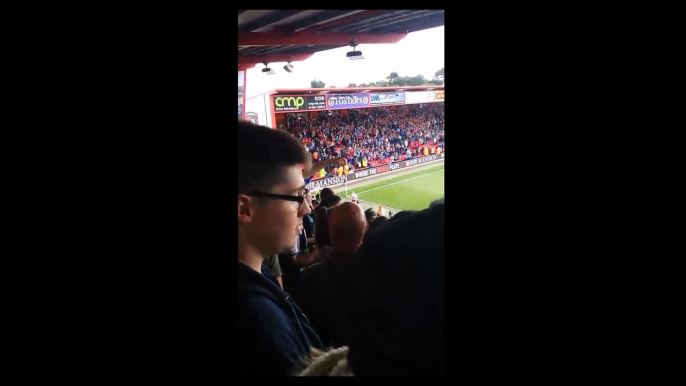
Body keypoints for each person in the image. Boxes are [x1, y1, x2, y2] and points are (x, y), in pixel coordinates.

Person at [237, 120, 323, 376]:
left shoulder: (258, 275)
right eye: (297, 196)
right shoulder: (259, 324)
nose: (306, 208)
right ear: (244, 209)